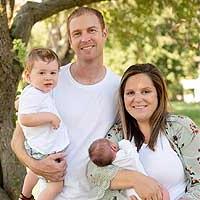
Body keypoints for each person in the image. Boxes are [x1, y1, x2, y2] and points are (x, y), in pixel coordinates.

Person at [11, 7, 164, 200]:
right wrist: (34, 165)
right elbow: (17, 139)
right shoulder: (50, 81)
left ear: (104, 33)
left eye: (91, 30)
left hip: (101, 195)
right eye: (77, 33)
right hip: (52, 194)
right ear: (70, 40)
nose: (85, 38)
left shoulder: (120, 89)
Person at [87, 63, 200, 200]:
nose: (138, 99)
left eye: (146, 91)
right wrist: (137, 179)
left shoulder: (181, 128)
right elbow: (93, 171)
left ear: (158, 93)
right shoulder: (119, 133)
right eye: (130, 93)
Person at [17, 48, 70, 200]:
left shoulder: (40, 92)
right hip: (44, 149)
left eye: (53, 73)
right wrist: (49, 117)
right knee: (56, 186)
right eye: (42, 73)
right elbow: (24, 119)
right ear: (28, 76)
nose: (48, 77)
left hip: (40, 147)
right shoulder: (32, 94)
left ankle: (25, 196)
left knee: (33, 172)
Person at [88, 139, 170, 200]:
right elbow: (129, 146)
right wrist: (121, 143)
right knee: (163, 192)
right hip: (146, 187)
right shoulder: (124, 156)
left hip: (132, 194)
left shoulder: (113, 165)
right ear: (113, 147)